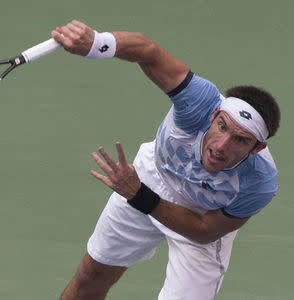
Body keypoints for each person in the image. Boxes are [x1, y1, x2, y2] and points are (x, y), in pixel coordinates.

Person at [51, 20, 280, 300]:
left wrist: (138, 195)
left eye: (241, 140)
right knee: (92, 275)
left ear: (257, 148)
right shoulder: (197, 101)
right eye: (222, 127)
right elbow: (147, 50)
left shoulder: (259, 183)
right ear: (212, 116)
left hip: (198, 217)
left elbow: (205, 231)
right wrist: (97, 42)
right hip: (152, 175)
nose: (222, 146)